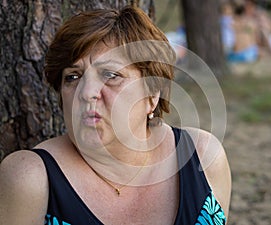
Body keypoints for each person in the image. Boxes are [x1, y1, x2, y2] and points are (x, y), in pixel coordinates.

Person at [0, 6, 231, 225]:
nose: (87, 93)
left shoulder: (203, 158)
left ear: (152, 95)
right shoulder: (30, 177)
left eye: (110, 75)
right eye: (73, 76)